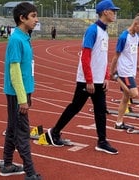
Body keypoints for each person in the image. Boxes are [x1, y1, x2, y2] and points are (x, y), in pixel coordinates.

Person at [45, 0, 119, 155]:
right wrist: (89, 80)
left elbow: (103, 57)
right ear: (105, 12)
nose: (115, 13)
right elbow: (85, 57)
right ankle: (54, 132)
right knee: (75, 107)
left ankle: (102, 141)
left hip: (99, 80)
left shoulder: (105, 32)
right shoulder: (93, 30)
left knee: (100, 110)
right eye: (113, 10)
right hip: (88, 80)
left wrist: (106, 77)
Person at [0, 2, 41, 180]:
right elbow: (14, 71)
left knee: (13, 129)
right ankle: (30, 173)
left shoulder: (25, 37)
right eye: (33, 16)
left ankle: (7, 164)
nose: (36, 19)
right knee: (22, 132)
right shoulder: (16, 39)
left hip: (24, 92)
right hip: (18, 94)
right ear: (22, 18)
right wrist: (22, 98)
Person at [110, 12, 139, 130]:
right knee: (134, 94)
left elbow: (134, 52)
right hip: (124, 70)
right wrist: (112, 72)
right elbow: (116, 55)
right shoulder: (123, 37)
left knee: (125, 98)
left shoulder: (136, 37)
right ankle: (117, 77)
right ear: (135, 24)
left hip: (132, 70)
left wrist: (138, 64)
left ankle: (119, 123)